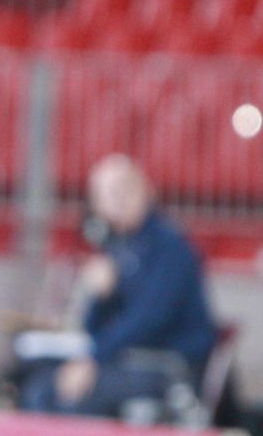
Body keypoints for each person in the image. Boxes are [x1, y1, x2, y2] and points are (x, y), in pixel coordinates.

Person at [18, 154, 217, 418]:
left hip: (167, 365)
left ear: (145, 190)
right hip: (122, 360)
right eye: (105, 194)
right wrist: (102, 296)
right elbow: (93, 328)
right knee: (39, 389)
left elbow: (150, 319)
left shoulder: (170, 247)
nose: (116, 201)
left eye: (123, 190)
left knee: (76, 399)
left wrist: (94, 360)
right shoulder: (115, 248)